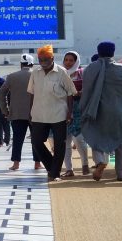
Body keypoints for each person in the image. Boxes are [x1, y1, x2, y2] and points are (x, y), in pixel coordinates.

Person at [79, 42, 122, 181]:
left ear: (99, 52)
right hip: (118, 110)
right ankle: (120, 173)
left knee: (95, 137)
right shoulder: (121, 69)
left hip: (96, 110)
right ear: (113, 53)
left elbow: (87, 91)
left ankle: (100, 161)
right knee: (120, 140)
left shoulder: (90, 68)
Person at [27, 45, 77, 182]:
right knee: (36, 142)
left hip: (58, 114)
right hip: (39, 114)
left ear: (52, 58)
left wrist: (69, 113)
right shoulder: (35, 73)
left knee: (60, 144)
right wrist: (30, 111)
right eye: (40, 59)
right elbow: (31, 93)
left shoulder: (61, 72)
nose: (43, 61)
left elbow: (70, 93)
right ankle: (52, 166)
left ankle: (54, 173)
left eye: (46, 59)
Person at [0, 54, 42, 171]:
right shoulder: (38, 75)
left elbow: (1, 93)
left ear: (21, 64)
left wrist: (5, 110)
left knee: (17, 139)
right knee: (36, 139)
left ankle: (16, 163)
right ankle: (37, 163)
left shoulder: (12, 76)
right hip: (36, 112)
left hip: (16, 113)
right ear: (32, 64)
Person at [60, 51, 89, 177]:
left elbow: (88, 89)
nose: (68, 62)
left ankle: (85, 164)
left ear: (76, 61)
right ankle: (69, 169)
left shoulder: (82, 73)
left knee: (79, 139)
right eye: (66, 60)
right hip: (62, 109)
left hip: (78, 109)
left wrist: (80, 93)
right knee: (65, 140)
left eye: (71, 60)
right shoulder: (59, 74)